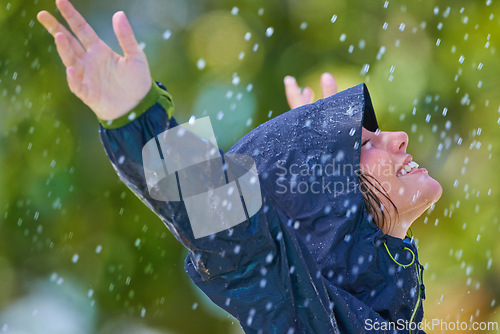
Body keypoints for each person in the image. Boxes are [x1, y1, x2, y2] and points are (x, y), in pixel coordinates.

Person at [37, 1, 442, 333]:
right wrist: (139, 119)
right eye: (365, 144)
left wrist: (316, 151)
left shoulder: (378, 317)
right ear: (330, 207)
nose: (399, 137)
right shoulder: (301, 321)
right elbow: (235, 233)